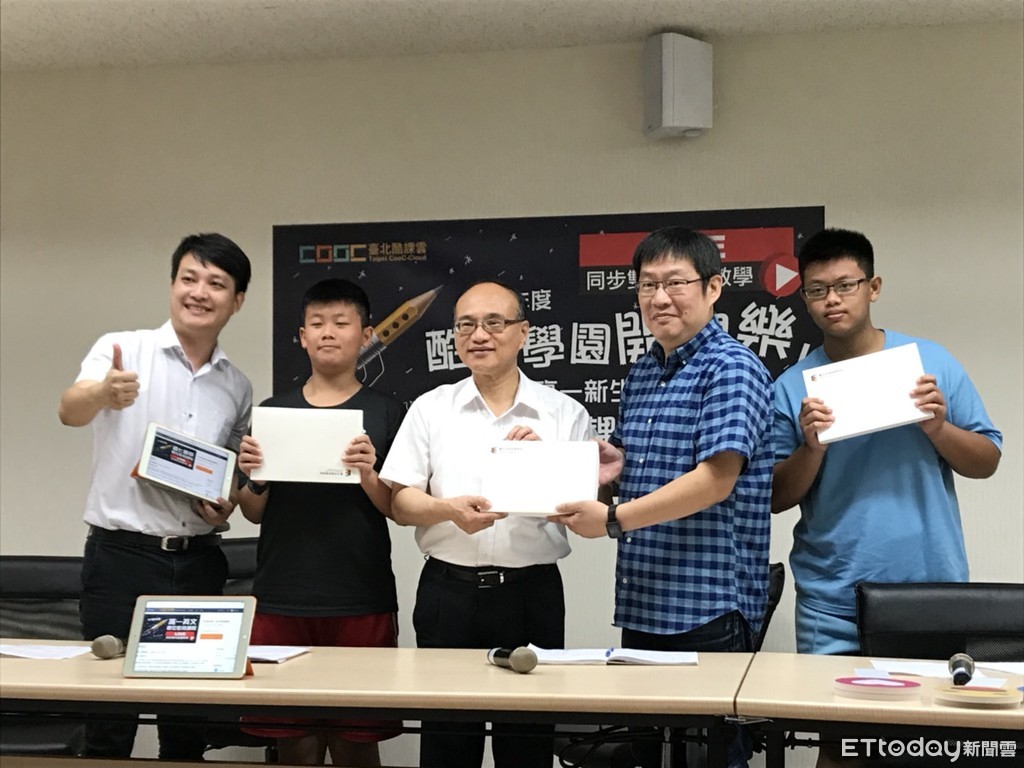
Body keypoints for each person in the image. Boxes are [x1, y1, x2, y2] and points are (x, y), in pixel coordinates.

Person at [551, 227, 773, 768]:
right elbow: (641, 469)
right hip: (646, 600)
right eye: (648, 285)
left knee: (706, 759)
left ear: (713, 288)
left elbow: (715, 480)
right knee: (647, 757)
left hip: (708, 606)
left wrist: (612, 519)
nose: (660, 297)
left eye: (676, 283)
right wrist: (612, 465)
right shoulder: (645, 372)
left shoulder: (731, 366)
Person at [379, 280, 594, 768]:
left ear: (523, 332)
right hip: (447, 594)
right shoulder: (431, 408)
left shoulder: (564, 414)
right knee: (447, 745)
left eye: (494, 323)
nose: (479, 335)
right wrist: (448, 511)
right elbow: (401, 503)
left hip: (531, 595)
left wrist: (546, 465)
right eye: (466, 325)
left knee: (528, 746)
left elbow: (586, 513)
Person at [58, 232, 252, 759]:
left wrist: (225, 502)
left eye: (216, 283)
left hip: (198, 561)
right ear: (172, 285)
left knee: (187, 725)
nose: (199, 292)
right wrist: (102, 392)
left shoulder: (237, 386)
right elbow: (69, 410)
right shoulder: (122, 349)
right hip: (120, 557)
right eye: (189, 278)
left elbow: (227, 477)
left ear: (236, 301)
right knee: (108, 723)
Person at [772, 228, 1002, 657]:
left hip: (931, 592)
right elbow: (774, 497)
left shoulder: (930, 362)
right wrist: (812, 448)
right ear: (804, 298)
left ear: (873, 288)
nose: (832, 300)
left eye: (845, 285)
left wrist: (938, 429)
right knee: (827, 703)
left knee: (932, 703)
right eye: (818, 290)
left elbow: (987, 461)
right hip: (832, 600)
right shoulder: (790, 387)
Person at [236, 278, 405, 767]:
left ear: (366, 335)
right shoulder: (273, 412)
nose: (328, 332)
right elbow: (252, 510)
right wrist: (254, 476)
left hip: (360, 595)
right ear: (302, 337)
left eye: (341, 322)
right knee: (293, 742)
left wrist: (368, 474)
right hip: (281, 595)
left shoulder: (387, 411)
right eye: (317, 323)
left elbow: (396, 508)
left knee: (357, 742)